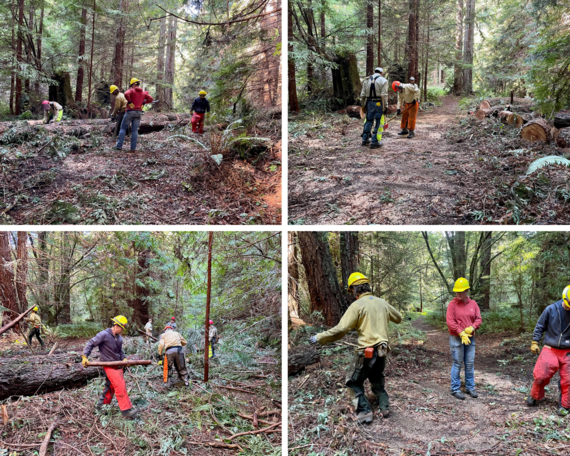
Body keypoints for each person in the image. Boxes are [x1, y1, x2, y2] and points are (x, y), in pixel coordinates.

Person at [309, 272, 402, 424]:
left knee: (352, 381)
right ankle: (384, 406)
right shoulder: (382, 302)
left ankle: (365, 412)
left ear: (356, 289)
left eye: (352, 291)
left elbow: (341, 329)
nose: (353, 294)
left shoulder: (357, 305)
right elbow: (398, 318)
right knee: (377, 376)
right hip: (382, 350)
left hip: (366, 352)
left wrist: (320, 337)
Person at [81, 315, 138, 419]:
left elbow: (120, 351)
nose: (122, 331)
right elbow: (91, 343)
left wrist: (124, 359)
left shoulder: (119, 338)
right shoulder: (104, 335)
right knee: (120, 385)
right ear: (116, 326)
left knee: (110, 387)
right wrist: (85, 356)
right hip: (108, 365)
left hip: (117, 366)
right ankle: (126, 410)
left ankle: (101, 407)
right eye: (121, 328)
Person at [527, 286, 570, 416]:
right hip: (550, 348)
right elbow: (540, 326)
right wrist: (535, 342)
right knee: (540, 375)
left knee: (568, 380)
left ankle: (565, 405)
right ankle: (536, 396)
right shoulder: (551, 309)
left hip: (567, 350)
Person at [446, 277, 482, 400]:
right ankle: (455, 389)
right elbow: (450, 322)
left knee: (470, 363)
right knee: (457, 363)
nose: (458, 293)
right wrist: (461, 332)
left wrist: (472, 327)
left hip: (470, 339)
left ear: (467, 291)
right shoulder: (452, 305)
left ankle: (470, 387)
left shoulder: (473, 304)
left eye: (461, 291)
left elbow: (478, 319)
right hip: (456, 338)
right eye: (457, 291)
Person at [115, 78, 153, 152]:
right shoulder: (144, 93)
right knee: (134, 131)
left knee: (123, 129)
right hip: (138, 113)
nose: (131, 86)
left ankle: (119, 147)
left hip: (130, 112)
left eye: (131, 85)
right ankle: (133, 149)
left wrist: (129, 102)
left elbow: (126, 94)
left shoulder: (132, 90)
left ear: (134, 84)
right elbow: (151, 99)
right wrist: (143, 103)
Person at [360, 68, 389, 149]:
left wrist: (363, 105)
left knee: (368, 121)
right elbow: (384, 95)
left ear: (375, 72)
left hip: (369, 103)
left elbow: (362, 95)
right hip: (379, 103)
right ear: (381, 73)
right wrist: (385, 106)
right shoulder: (383, 80)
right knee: (379, 122)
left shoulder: (366, 80)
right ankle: (375, 141)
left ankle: (364, 139)